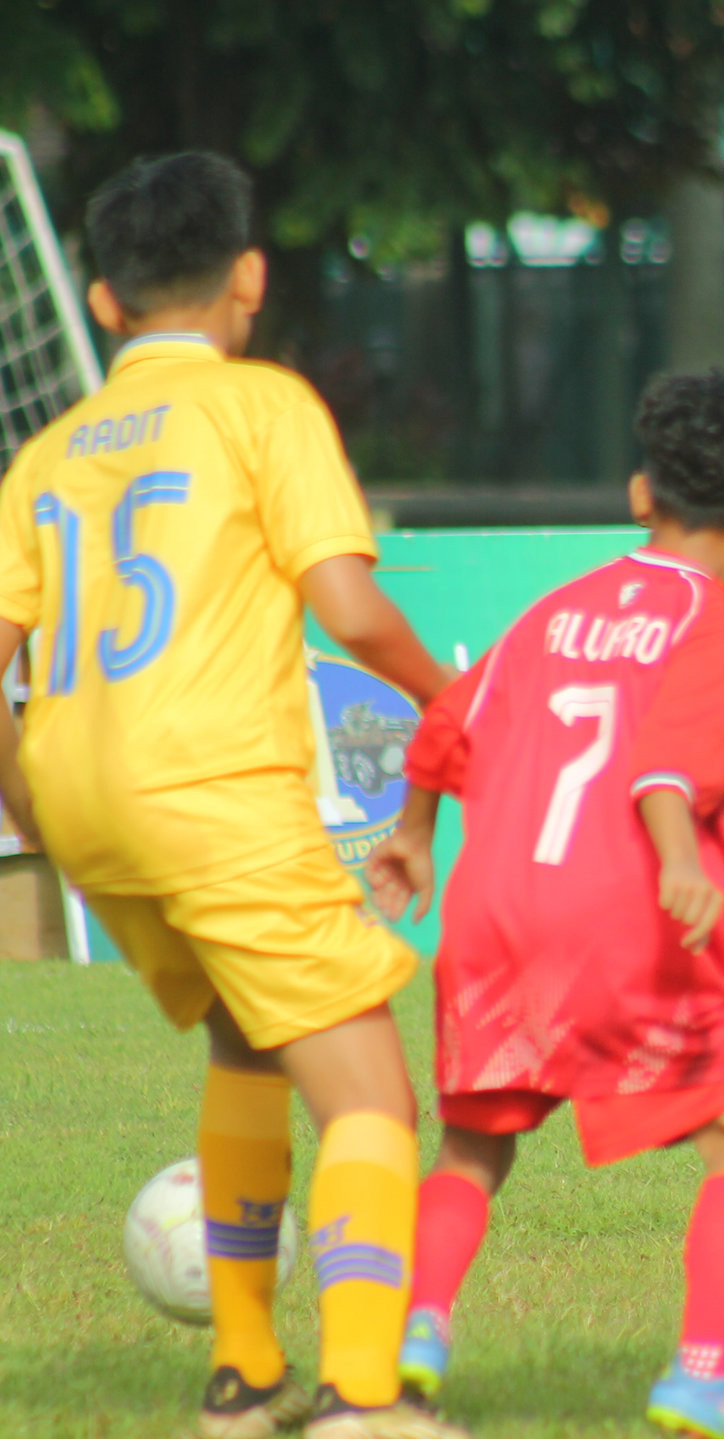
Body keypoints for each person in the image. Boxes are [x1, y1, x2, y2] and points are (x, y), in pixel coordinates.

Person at [0, 152, 463, 1439]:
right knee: (372, 1095)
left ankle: (244, 1376)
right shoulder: (261, 406)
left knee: (250, 1038)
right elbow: (349, 605)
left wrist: (29, 801)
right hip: (210, 786)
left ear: (101, 304)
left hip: (84, 798)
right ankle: (365, 1399)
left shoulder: (47, 452)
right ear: (249, 276)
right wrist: (448, 696)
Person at [365, 364, 724, 1439]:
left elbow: (447, 724)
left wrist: (411, 836)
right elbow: (666, 769)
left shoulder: (550, 610)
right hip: (621, 923)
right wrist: (676, 861)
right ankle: (708, 1370)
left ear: (637, 495)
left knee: (474, 1145)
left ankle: (415, 1330)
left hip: (488, 921)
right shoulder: (715, 629)